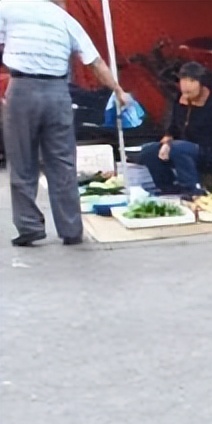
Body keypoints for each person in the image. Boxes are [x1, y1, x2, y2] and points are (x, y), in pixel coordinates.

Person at [0, 0, 130, 247]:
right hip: (58, 93)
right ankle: (71, 229)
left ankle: (29, 226)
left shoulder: (8, 7)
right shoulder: (66, 19)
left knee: (22, 160)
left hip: (23, 89)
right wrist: (118, 90)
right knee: (62, 162)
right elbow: (95, 62)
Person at [139, 62, 212, 197]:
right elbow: (173, 129)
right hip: (181, 149)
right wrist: (166, 142)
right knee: (148, 151)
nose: (186, 85)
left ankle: (192, 189)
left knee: (178, 147)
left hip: (209, 154)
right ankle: (167, 187)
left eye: (192, 81)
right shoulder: (179, 101)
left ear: (201, 83)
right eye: (183, 80)